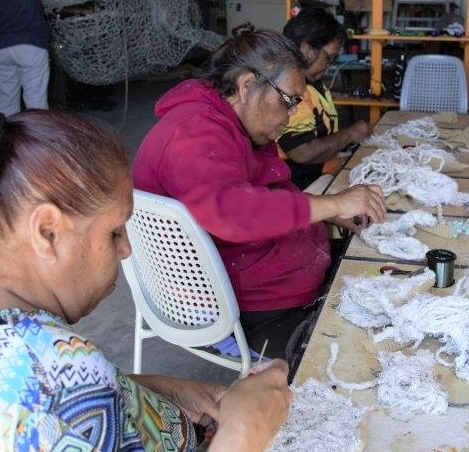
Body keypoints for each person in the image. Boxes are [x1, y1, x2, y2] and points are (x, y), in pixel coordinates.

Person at [0, 100, 292, 451]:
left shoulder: (19, 354)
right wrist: (245, 431)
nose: (126, 250)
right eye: (113, 233)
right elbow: (60, 400)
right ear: (48, 232)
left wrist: (150, 394)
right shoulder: (53, 378)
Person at [132, 24, 386, 360]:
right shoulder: (193, 132)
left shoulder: (232, 125)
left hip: (273, 275)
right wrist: (332, 203)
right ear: (248, 85)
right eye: (288, 100)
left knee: (382, 272)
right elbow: (236, 212)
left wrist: (325, 208)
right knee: (367, 350)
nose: (293, 112)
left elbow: (259, 195)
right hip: (247, 308)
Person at [279, 8, 373, 190]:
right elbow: (303, 152)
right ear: (306, 49)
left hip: (323, 173)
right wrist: (350, 134)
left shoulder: (314, 83)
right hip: (301, 188)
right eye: (328, 58)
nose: (329, 65)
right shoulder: (291, 90)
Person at [0, 0, 50, 116]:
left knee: (6, 103)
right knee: (36, 101)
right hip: (30, 41)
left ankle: (7, 132)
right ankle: (37, 133)